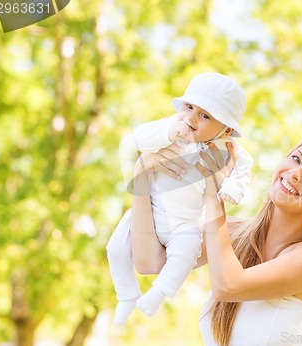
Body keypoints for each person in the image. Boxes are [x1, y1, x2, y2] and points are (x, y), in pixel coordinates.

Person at [130, 133, 302, 345]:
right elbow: (149, 262)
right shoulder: (230, 233)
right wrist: (142, 176)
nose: (295, 173)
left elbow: (228, 286)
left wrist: (212, 193)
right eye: (296, 159)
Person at [106, 72, 253, 326]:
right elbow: (139, 137)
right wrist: (168, 134)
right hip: (149, 210)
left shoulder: (230, 152)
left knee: (186, 252)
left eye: (205, 115)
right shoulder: (172, 127)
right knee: (115, 248)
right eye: (189, 107)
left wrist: (231, 189)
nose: (192, 118)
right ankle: (127, 295)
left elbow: (243, 172)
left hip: (184, 222)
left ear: (226, 128)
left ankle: (159, 292)